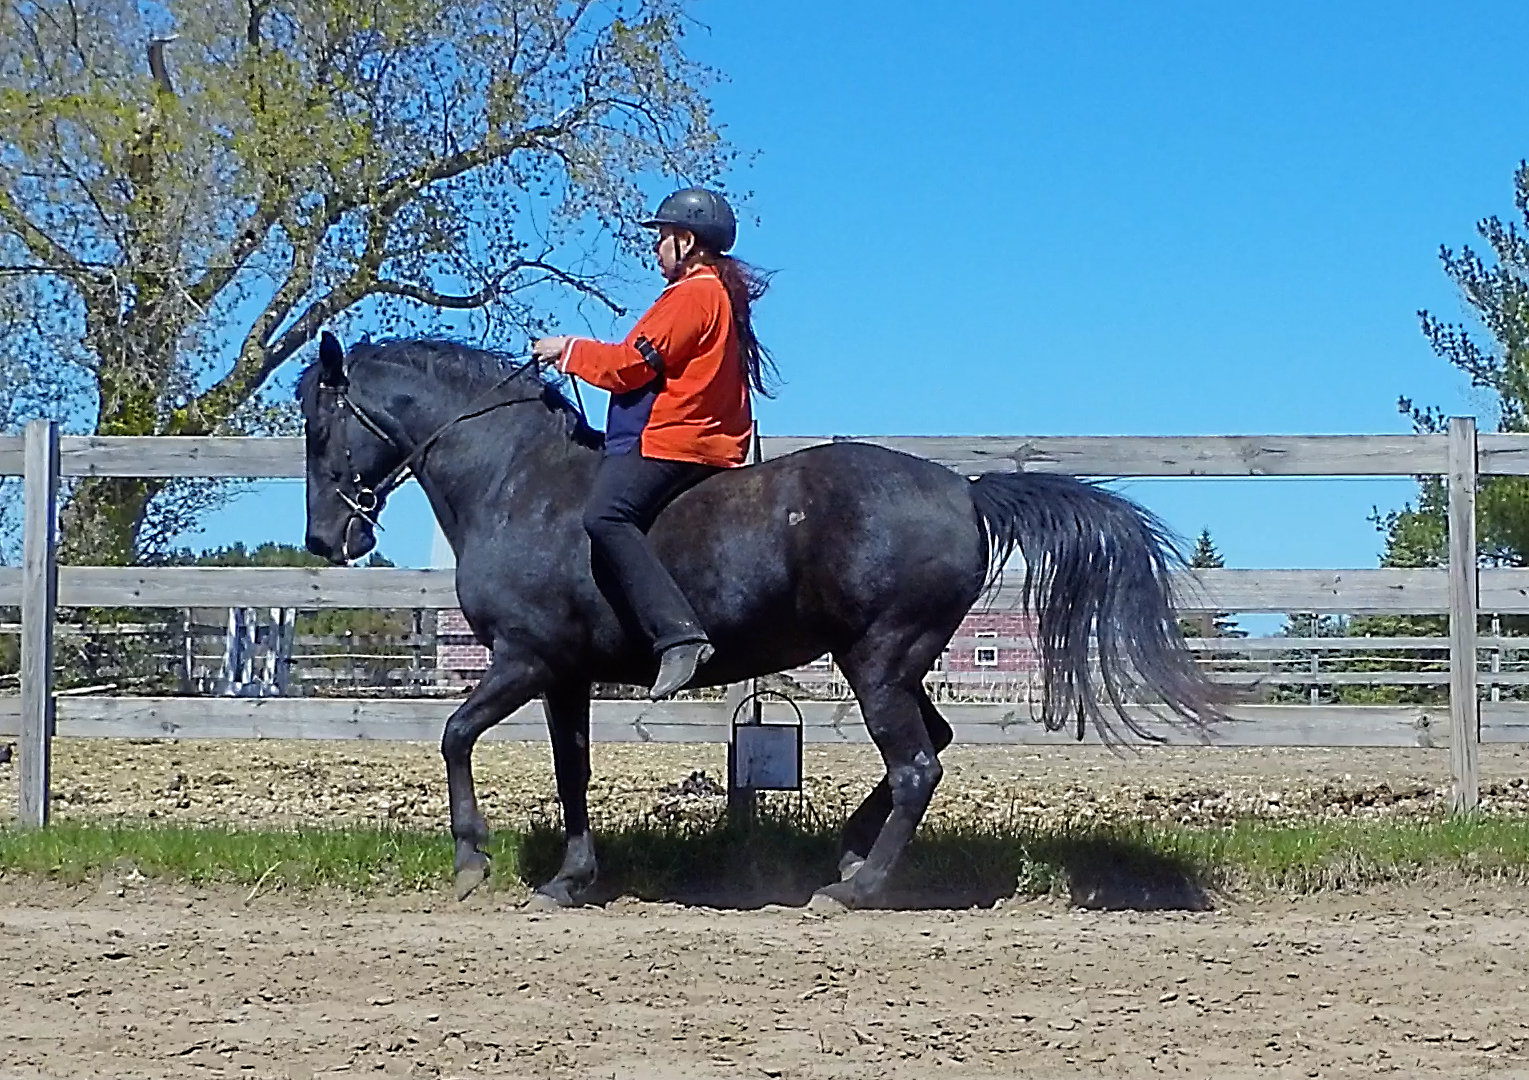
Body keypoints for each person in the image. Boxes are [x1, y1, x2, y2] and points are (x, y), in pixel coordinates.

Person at [532, 187, 775, 699]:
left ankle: (678, 635)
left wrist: (569, 350)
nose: (655, 247)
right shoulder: (717, 294)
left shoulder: (693, 296)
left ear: (687, 241)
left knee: (606, 515)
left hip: (677, 439)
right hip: (708, 440)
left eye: (663, 236)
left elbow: (628, 366)